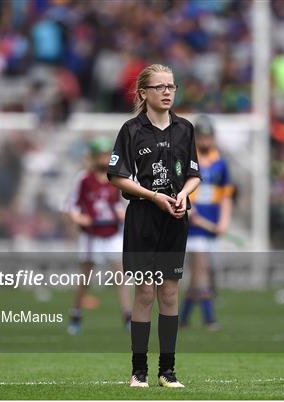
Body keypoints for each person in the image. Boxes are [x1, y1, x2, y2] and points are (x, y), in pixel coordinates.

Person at [107, 64, 201, 388]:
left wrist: (182, 196)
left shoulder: (186, 128)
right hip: (143, 218)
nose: (167, 92)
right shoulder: (131, 130)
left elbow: (193, 174)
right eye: (160, 87)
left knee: (170, 292)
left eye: (171, 86)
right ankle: (138, 371)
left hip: (175, 217)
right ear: (143, 93)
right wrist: (154, 196)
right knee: (145, 292)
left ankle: (168, 370)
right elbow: (118, 177)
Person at [63, 137, 131, 335]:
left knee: (120, 275)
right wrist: (79, 218)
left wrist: (122, 213)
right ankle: (76, 314)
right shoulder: (84, 179)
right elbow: (71, 205)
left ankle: (127, 316)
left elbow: (122, 204)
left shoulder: (116, 178)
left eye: (107, 155)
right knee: (86, 278)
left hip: (112, 233)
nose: (104, 158)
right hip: (91, 234)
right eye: (101, 155)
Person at [180, 115, 233, 331]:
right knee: (201, 269)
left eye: (207, 136)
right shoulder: (186, 161)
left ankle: (182, 319)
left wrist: (223, 222)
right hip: (193, 228)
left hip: (211, 226)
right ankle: (209, 318)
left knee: (199, 274)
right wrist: (189, 211)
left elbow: (226, 195)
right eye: (200, 136)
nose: (204, 140)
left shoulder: (220, 163)